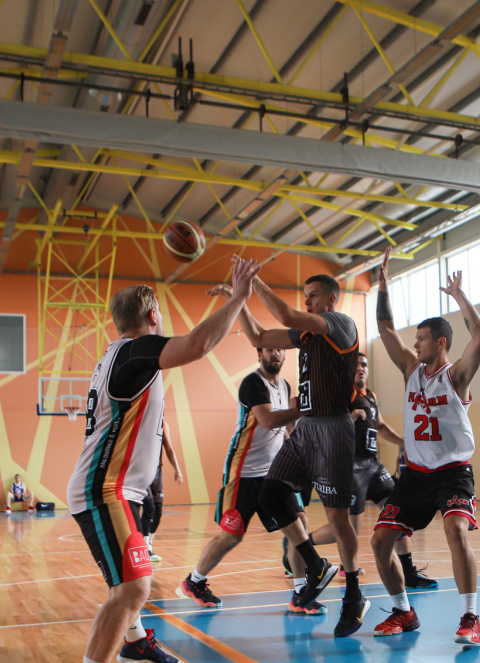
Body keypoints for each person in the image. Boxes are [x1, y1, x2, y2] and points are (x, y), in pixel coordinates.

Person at [62, 259, 260, 663]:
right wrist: (238, 298)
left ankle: (133, 642)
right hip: (103, 489)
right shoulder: (134, 353)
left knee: (131, 578)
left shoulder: (120, 356)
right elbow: (198, 343)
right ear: (152, 318)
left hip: (121, 488)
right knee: (134, 586)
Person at [236, 260, 366, 638]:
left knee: (338, 519)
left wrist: (253, 279)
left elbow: (285, 314)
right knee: (270, 494)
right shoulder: (307, 337)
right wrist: (239, 298)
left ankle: (354, 594)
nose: (306, 302)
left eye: (312, 297)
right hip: (306, 428)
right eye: (305, 297)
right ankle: (315, 565)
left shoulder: (341, 324)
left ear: (331, 299)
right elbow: (260, 336)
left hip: (333, 429)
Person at [370, 249, 480, 644]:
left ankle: (470, 618)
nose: (414, 343)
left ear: (440, 342)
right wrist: (383, 287)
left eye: (421, 338)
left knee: (456, 531)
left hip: (453, 472)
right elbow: (385, 329)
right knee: (380, 540)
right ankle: (403, 612)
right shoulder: (410, 370)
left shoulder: (456, 377)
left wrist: (459, 297)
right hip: (415, 475)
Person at [177, 341, 309, 612]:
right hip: (244, 472)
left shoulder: (284, 386)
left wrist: (296, 452)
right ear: (259, 354)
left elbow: (284, 427)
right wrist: (307, 406)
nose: (276, 353)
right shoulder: (253, 383)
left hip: (275, 472)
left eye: (280, 349)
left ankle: (301, 592)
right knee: (232, 535)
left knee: (300, 524)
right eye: (270, 349)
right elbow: (270, 420)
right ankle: (194, 581)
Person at [299, 352, 439, 591]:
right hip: (349, 466)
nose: (361, 368)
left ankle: (409, 572)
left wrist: (405, 442)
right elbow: (326, 426)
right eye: (356, 365)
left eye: (364, 364)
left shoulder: (371, 396)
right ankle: (301, 544)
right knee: (349, 528)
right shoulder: (342, 394)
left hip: (372, 465)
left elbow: (381, 426)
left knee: (399, 512)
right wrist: (349, 418)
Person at [140, 420, 184, 563]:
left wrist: (177, 469)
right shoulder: (140, 422)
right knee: (149, 507)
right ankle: (144, 548)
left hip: (157, 471)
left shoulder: (163, 425)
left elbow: (169, 449)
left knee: (158, 511)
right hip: (141, 469)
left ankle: (149, 542)